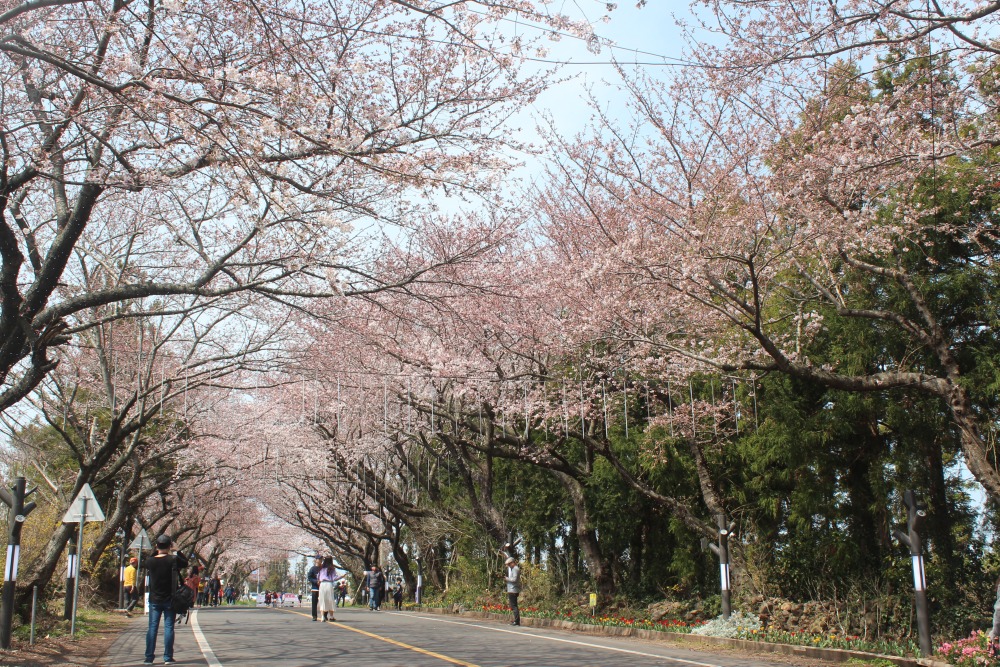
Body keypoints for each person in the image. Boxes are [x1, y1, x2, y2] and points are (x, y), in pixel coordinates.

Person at [143, 534, 188, 665]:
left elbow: (151, 557)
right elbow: (185, 563)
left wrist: (157, 549)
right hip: (170, 599)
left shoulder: (150, 561)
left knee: (152, 628)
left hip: (154, 600)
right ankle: (167, 657)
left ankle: (149, 658)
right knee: (169, 628)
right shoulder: (173, 559)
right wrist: (177, 550)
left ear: (157, 546)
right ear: (169, 546)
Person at [317, 556, 345, 621]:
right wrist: (341, 576)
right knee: (330, 600)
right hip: (329, 584)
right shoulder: (332, 568)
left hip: (322, 584)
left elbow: (318, 577)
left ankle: (322, 617)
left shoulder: (321, 568)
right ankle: (331, 616)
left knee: (323, 600)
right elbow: (334, 578)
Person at [504, 556, 521, 627]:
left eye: (509, 564)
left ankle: (517, 621)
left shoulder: (515, 569)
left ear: (512, 563)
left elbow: (514, 579)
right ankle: (516, 620)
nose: (508, 566)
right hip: (512, 589)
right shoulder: (514, 569)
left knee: (514, 606)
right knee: (513, 605)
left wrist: (507, 579)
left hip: (513, 590)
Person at [307, 555, 322, 621]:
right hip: (315, 588)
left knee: (324, 602)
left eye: (321, 559)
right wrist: (315, 581)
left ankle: (324, 615)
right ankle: (314, 616)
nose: (320, 560)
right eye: (319, 559)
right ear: (316, 560)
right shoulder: (312, 568)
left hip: (323, 587)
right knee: (314, 602)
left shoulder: (323, 568)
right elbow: (309, 577)